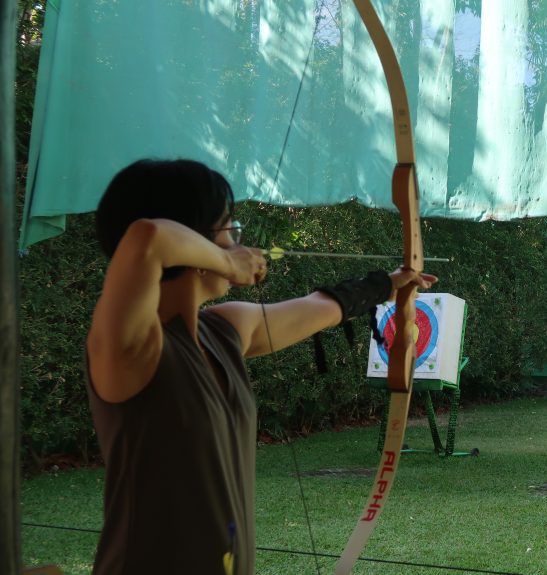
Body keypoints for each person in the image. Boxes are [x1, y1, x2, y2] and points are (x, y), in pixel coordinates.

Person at [85, 158, 436, 575]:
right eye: (229, 229)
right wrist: (227, 262)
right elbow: (146, 238)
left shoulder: (225, 329)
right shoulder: (129, 347)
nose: (239, 242)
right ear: (193, 238)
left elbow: (320, 307)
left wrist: (389, 284)